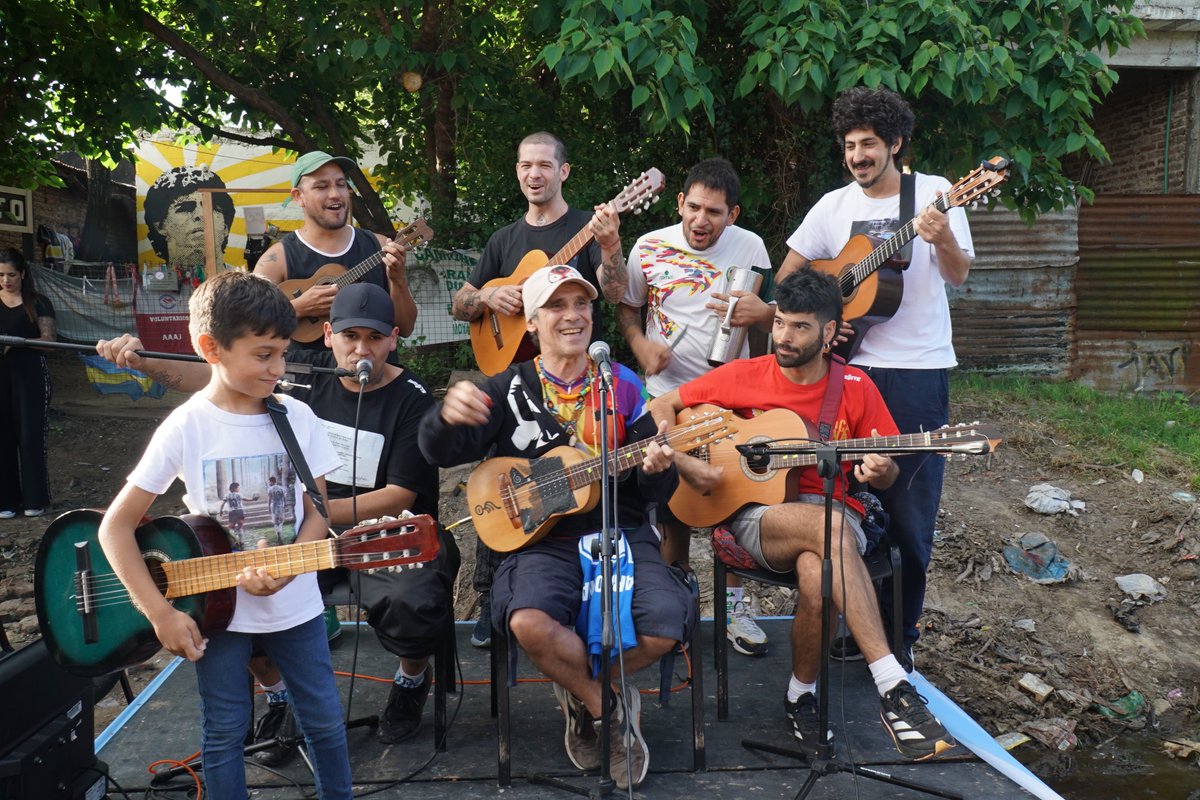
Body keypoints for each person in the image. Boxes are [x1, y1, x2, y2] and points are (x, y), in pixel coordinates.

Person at [97, 281, 461, 759]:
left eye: (374, 338)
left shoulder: (411, 397)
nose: (361, 349)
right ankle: (278, 693)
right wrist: (145, 361)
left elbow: (401, 493)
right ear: (328, 336)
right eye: (350, 336)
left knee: (415, 600)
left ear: (393, 339)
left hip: (375, 535)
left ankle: (411, 678)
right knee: (233, 608)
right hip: (292, 536)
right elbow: (214, 375)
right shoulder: (299, 381)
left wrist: (318, 523)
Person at [650, 269, 956, 761]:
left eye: (800, 328)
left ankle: (799, 696)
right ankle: (892, 685)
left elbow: (889, 475)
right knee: (827, 528)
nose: (784, 338)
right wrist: (682, 451)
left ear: (830, 332)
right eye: (780, 324)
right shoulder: (744, 375)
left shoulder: (855, 385)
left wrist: (879, 471)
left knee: (819, 573)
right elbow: (663, 403)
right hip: (759, 516)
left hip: (840, 511)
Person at [420, 264, 693, 790]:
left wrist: (660, 469)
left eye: (582, 304)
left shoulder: (624, 387)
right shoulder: (504, 390)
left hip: (620, 532)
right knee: (528, 622)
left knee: (664, 624)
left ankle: (579, 690)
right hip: (542, 541)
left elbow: (650, 491)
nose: (572, 316)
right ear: (530, 322)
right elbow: (442, 451)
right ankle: (610, 709)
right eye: (556, 306)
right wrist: (443, 417)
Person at [96, 271, 353, 799]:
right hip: (216, 615)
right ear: (210, 347)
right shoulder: (186, 426)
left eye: (282, 353)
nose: (277, 368)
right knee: (224, 732)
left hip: (297, 606)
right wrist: (160, 613)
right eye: (263, 355)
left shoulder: (297, 416)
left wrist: (290, 565)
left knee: (326, 725)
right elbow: (115, 527)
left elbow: (319, 509)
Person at [777, 87, 975, 667]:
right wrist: (825, 317)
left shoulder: (936, 194)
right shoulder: (832, 207)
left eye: (868, 144)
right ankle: (848, 630)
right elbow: (790, 279)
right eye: (849, 145)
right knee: (849, 507)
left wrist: (940, 241)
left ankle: (899, 645)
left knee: (912, 518)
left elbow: (959, 276)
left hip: (917, 371)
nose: (858, 155)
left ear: (895, 144)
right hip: (845, 371)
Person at [450, 131, 627, 647]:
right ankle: (490, 595)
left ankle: (584, 588)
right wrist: (489, 293)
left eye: (545, 165)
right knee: (496, 475)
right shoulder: (504, 239)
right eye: (526, 164)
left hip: (576, 378)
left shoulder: (586, 229)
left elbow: (613, 294)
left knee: (583, 478)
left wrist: (611, 246)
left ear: (564, 172)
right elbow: (461, 303)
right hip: (515, 380)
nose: (535, 174)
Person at [616, 157, 774, 657]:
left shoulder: (751, 247)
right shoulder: (648, 246)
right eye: (694, 207)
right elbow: (628, 308)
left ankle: (735, 606)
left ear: (734, 214)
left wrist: (764, 313)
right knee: (672, 505)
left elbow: (771, 328)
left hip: (732, 398)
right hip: (666, 395)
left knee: (733, 496)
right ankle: (678, 600)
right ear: (679, 202)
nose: (702, 220)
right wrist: (640, 346)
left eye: (715, 211)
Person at [254, 151, 417, 341]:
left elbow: (405, 328)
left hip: (373, 367)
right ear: (299, 197)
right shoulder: (276, 259)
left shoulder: (379, 245)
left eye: (341, 184)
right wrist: (297, 308)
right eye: (322, 186)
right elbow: (249, 326)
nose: (335, 194)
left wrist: (398, 280)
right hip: (305, 369)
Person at [0, 248, 57, 518]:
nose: (5, 280)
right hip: (1, 378)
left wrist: (21, 344)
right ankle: (6, 501)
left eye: (11, 274)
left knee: (30, 437)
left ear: (22, 273)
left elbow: (50, 341)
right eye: (0, 275)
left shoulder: (38, 302)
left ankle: (35, 499)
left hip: (31, 376)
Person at [144, 165, 235, 268]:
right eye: (185, 208)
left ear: (225, 226)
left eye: (212, 206)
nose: (201, 215)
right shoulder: (155, 280)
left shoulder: (238, 279)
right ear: (160, 225)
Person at [267, 475, 288, 542]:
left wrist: (269, 507)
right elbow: (284, 498)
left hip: (273, 506)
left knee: (275, 521)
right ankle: (280, 531)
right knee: (281, 520)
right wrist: (285, 505)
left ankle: (277, 533)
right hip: (280, 506)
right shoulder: (282, 488)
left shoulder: (270, 489)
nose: (269, 483)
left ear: (272, 481)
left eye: (269, 482)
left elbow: (270, 499)